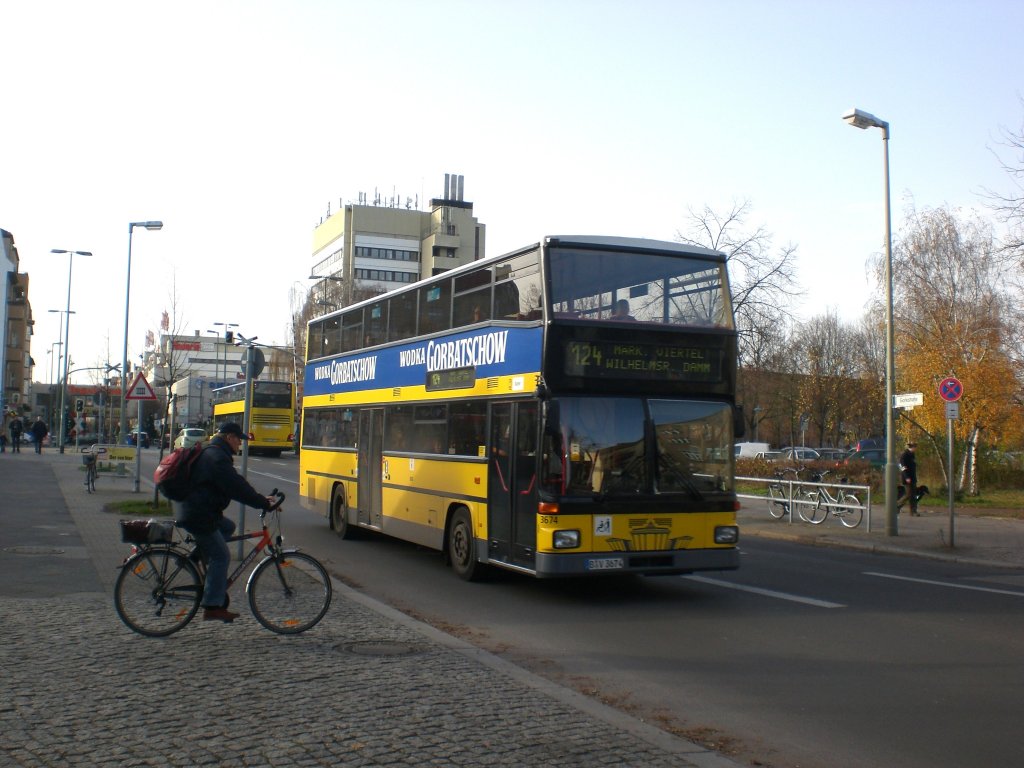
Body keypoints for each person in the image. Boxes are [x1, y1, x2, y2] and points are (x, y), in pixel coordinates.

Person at [175, 422, 276, 622]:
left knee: (228, 527)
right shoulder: (217, 458)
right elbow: (237, 487)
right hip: (198, 514)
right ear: (229, 437)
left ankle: (195, 558)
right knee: (221, 556)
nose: (240, 444)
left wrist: (261, 500)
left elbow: (236, 485)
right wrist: (262, 503)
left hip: (195, 509)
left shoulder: (211, 451)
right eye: (239, 440)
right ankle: (212, 606)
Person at [897, 442, 919, 516]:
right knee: (908, 494)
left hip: (913, 477)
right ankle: (897, 506)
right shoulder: (904, 455)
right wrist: (906, 477)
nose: (916, 449)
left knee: (913, 495)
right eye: (915, 447)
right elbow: (902, 467)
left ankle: (913, 511)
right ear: (911, 447)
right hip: (907, 478)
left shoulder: (912, 455)